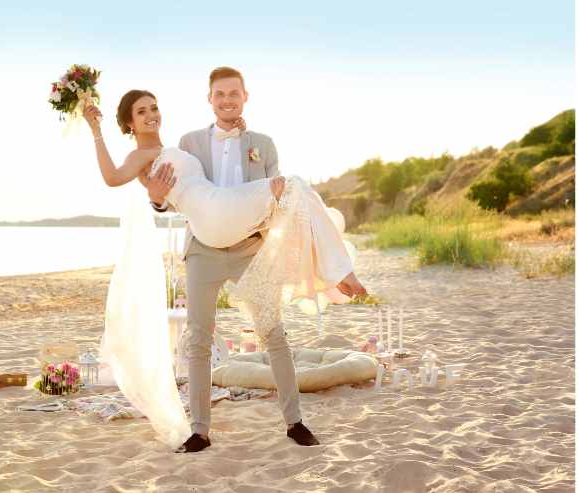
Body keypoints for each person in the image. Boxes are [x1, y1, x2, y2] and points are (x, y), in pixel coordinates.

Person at [84, 67, 367, 453]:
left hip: (245, 242)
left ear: (244, 97)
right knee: (198, 339)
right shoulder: (186, 143)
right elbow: (145, 192)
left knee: (274, 333)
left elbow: (273, 206)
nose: (151, 114)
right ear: (210, 99)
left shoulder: (260, 145)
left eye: (153, 107)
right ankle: (199, 430)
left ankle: (295, 422)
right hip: (205, 240)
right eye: (142, 111)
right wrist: (142, 182)